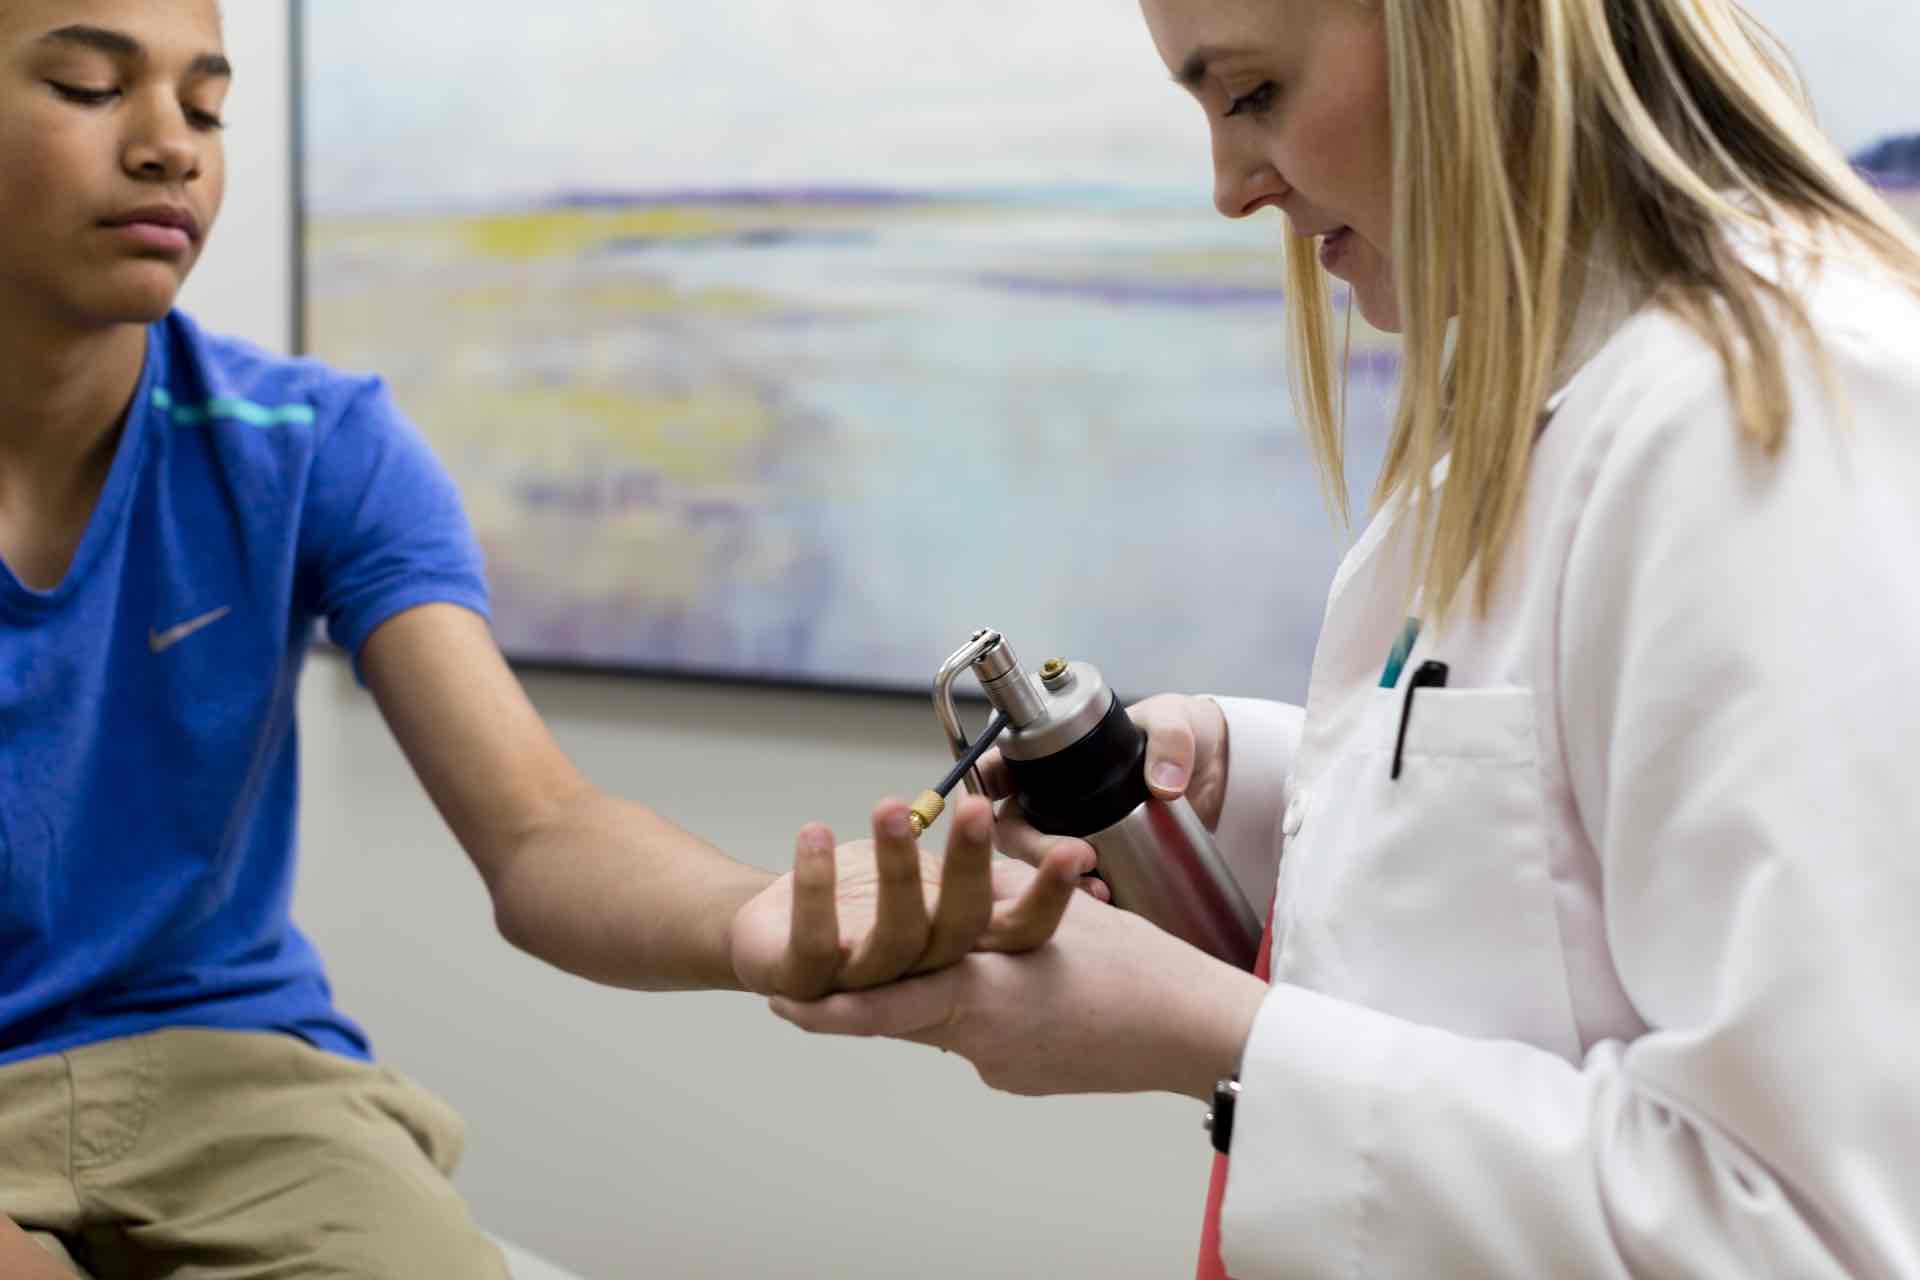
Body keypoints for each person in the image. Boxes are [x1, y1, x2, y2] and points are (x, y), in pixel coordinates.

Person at [772, 0, 1920, 1275]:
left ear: (1483, 34)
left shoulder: (1762, 422)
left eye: (1251, 94)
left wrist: (1219, 1036)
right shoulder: (1549, 389)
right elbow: (1553, 850)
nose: (1229, 185)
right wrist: (1239, 779)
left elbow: (1807, 1230)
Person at [0, 3, 1093, 1277]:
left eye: (206, 107)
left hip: (227, 1081)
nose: (168, 147)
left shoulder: (316, 446)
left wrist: (750, 918)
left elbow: (537, 829)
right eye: (88, 87)